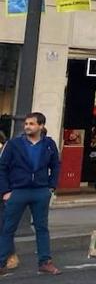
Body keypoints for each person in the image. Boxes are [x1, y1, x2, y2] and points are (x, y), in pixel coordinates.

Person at [0, 112, 62, 275]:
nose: (27, 126)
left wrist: (51, 187)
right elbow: (2, 167)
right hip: (17, 191)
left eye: (31, 124)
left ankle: (45, 262)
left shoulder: (49, 144)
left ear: (41, 126)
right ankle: (1, 263)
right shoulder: (14, 144)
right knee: (8, 228)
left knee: (42, 227)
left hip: (40, 191)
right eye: (26, 124)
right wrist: (5, 191)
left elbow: (56, 165)